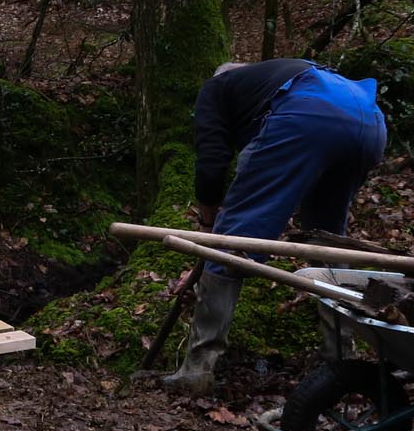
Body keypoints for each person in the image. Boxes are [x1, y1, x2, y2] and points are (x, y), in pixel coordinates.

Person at [160, 58, 387, 394]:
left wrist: (209, 230)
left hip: (308, 117)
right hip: (370, 124)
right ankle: (338, 359)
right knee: (325, 241)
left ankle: (196, 370)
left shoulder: (218, 87)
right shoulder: (290, 75)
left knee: (232, 244)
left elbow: (211, 164)